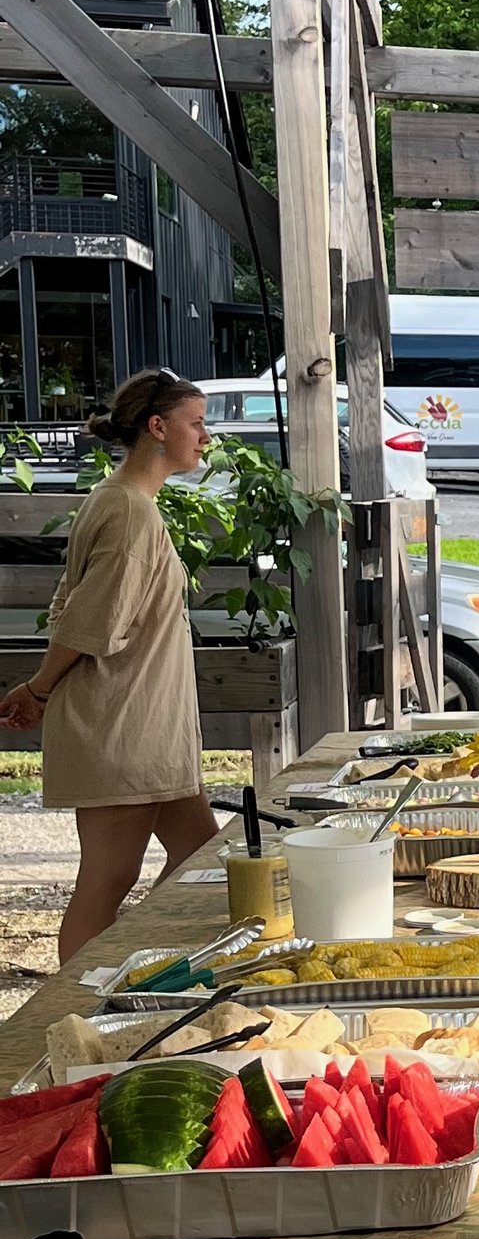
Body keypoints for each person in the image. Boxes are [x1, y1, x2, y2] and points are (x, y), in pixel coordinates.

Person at [0, 369, 217, 964]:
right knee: (107, 881)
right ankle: (73, 1019)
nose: (206, 436)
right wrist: (39, 691)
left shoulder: (122, 501)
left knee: (205, 863)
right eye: (196, 422)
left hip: (147, 728)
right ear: (157, 426)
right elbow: (92, 624)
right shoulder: (128, 514)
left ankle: (147, 977)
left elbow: (77, 609)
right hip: (121, 726)